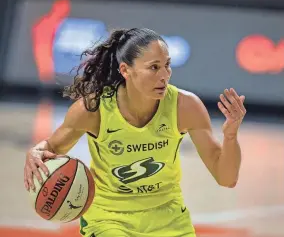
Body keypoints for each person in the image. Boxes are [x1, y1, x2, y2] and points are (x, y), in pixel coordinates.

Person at [24, 28, 246, 237]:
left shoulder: (185, 107)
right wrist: (35, 151)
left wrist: (230, 136)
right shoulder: (94, 109)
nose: (164, 75)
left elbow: (226, 178)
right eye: (154, 67)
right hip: (108, 219)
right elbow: (49, 149)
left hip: (168, 219)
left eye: (167, 65)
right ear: (125, 70)